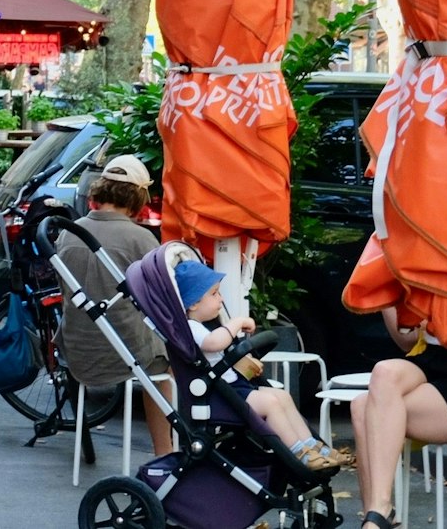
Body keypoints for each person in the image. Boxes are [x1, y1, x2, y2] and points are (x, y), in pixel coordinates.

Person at [53, 156, 172, 457]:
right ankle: (165, 452)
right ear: (137, 197)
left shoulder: (69, 232)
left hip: (76, 346)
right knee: (164, 361)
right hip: (124, 350)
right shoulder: (141, 238)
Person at [177, 260, 347, 470]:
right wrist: (236, 323)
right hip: (220, 395)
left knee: (281, 396)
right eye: (214, 294)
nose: (220, 299)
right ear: (193, 303)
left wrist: (246, 364)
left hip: (233, 387)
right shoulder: (190, 327)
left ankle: (312, 446)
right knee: (270, 404)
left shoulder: (205, 325)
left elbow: (218, 357)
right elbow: (214, 344)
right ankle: (297, 451)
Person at [348, 310, 447, 529]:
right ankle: (378, 511)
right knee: (379, 377)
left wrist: (445, 321)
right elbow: (407, 341)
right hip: (432, 357)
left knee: (364, 409)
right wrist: (394, 297)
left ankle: (376, 518)